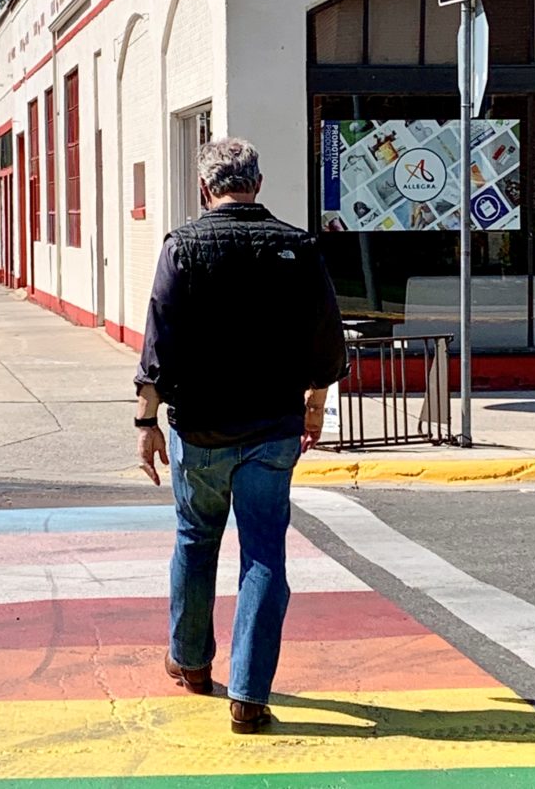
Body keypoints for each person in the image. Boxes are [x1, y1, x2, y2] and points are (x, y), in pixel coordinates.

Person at [134, 138, 347, 734]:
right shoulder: (297, 247)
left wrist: (146, 423)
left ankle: (192, 663)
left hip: (199, 428)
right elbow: (327, 340)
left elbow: (160, 341)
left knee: (196, 540)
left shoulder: (183, 245)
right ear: (257, 184)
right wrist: (314, 405)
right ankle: (250, 694)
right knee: (264, 553)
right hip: (273, 426)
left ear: (206, 189)